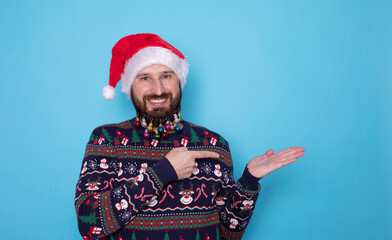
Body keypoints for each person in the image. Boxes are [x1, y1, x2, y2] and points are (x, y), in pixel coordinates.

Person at [74, 33, 305, 240]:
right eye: (145, 78)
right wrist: (161, 173)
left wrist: (249, 181)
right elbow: (89, 225)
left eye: (166, 76)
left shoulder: (214, 144)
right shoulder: (107, 139)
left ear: (180, 81)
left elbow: (228, 234)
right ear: (130, 86)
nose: (158, 89)